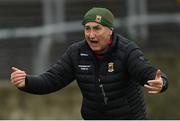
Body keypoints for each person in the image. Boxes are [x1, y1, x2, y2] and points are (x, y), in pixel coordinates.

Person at [10, 7, 168, 120]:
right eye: (87, 29)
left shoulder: (126, 50)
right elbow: (52, 80)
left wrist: (161, 82)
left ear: (110, 30)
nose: (91, 35)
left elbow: (146, 71)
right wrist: (26, 82)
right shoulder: (76, 52)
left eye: (97, 29)